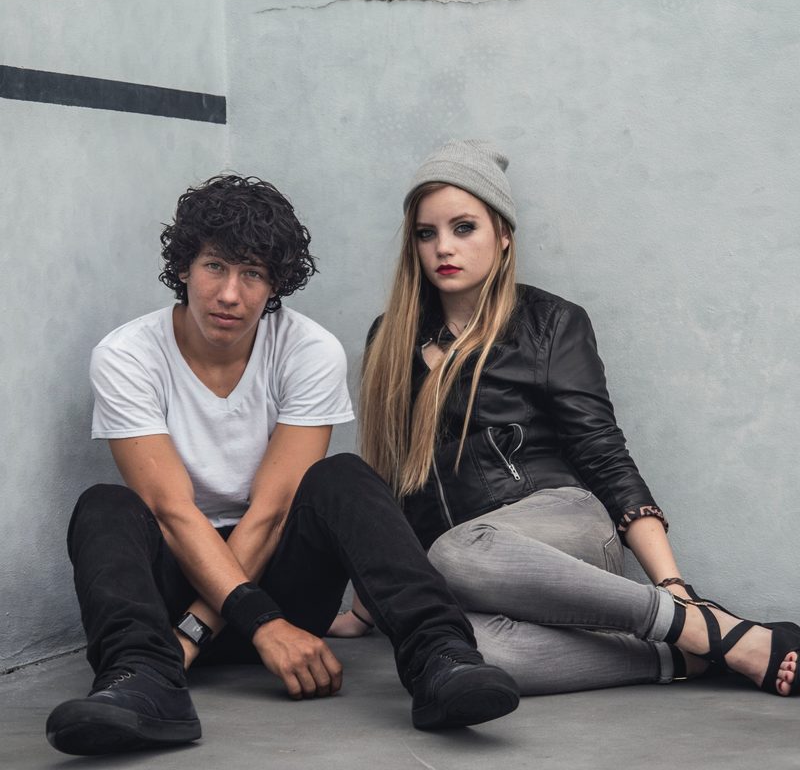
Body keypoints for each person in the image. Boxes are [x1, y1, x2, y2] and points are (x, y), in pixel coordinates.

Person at [45, 174, 521, 756]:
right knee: (104, 506)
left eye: (253, 274)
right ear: (184, 267)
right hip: (169, 607)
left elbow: (273, 512)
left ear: (276, 284)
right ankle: (140, 681)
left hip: (280, 588)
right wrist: (233, 629)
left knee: (341, 476)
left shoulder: (308, 350)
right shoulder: (127, 355)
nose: (230, 294)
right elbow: (170, 512)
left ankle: (441, 657)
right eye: (215, 266)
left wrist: (224, 629)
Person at [333, 140, 799, 699]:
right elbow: (391, 478)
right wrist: (366, 607)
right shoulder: (391, 339)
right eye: (426, 233)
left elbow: (603, 452)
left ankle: (703, 626)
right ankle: (685, 657)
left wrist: (673, 583)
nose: (443, 248)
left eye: (464, 228)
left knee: (458, 552)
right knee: (459, 646)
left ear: (503, 234)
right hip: (469, 568)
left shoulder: (551, 322)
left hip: (562, 523)